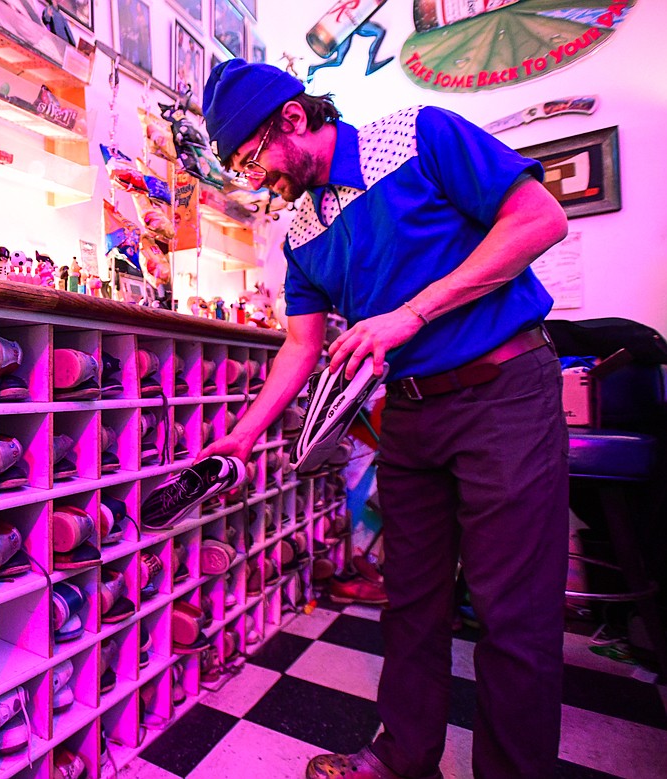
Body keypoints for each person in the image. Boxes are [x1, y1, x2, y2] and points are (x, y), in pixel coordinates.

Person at [199, 59, 570, 779]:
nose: (257, 180)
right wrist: (241, 437)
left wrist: (412, 312)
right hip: (410, 413)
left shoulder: (421, 137)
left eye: (253, 159)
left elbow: (539, 218)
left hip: (504, 394)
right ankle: (404, 757)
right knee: (413, 603)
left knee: (511, 616)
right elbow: (301, 346)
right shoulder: (302, 233)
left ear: (295, 120)